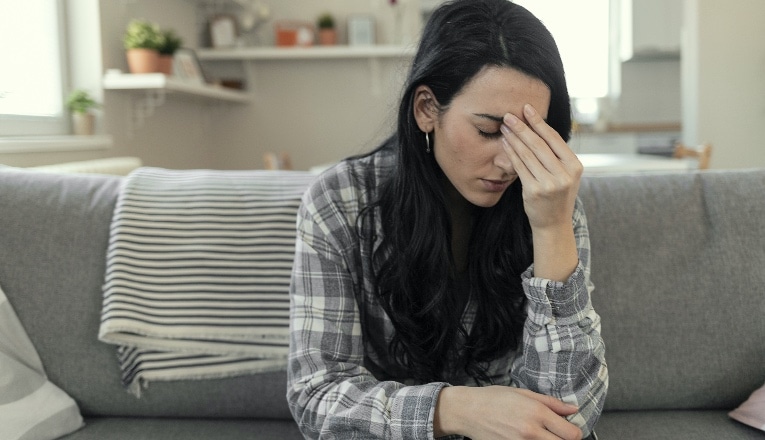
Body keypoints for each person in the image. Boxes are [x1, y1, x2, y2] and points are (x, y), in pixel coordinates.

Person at [287, 0, 608, 438]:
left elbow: (570, 415)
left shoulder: (549, 199)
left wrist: (551, 229)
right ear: (426, 109)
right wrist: (453, 409)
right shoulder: (340, 201)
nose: (510, 162)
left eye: (531, 136)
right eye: (489, 131)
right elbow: (317, 396)